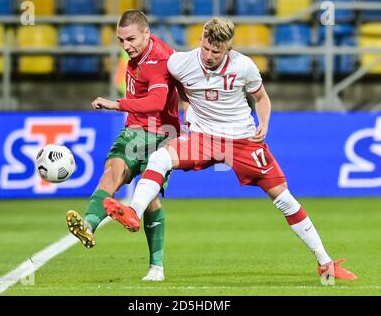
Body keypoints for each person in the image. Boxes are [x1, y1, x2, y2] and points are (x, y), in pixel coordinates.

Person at [104, 17, 357, 282]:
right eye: (206, 48)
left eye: (217, 51)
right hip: (203, 137)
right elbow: (174, 86)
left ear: (229, 48)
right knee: (159, 158)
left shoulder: (244, 66)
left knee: (284, 199)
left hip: (242, 141)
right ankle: (133, 211)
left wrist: (265, 123)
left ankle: (325, 263)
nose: (210, 55)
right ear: (201, 39)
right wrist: (188, 109)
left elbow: (260, 98)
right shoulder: (180, 62)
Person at [66, 10, 181, 282]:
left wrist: (115, 103)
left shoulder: (159, 60)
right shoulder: (134, 55)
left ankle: (156, 267)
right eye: (120, 40)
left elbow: (156, 103)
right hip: (133, 130)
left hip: (161, 134)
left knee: (150, 198)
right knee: (110, 175)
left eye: (131, 39)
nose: (126, 45)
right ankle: (89, 226)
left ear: (146, 33)